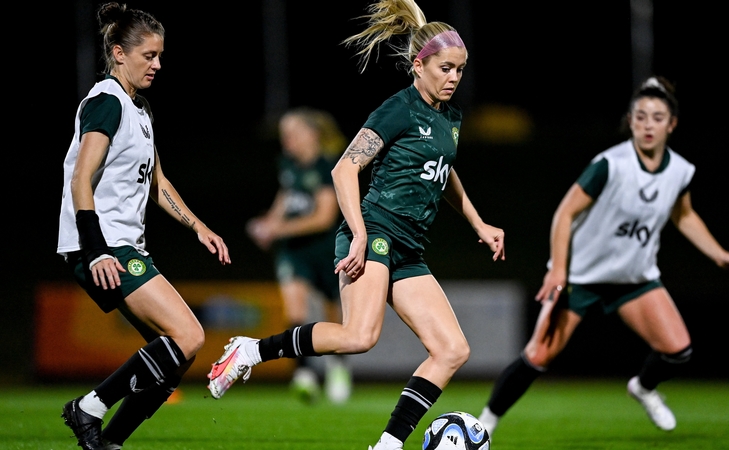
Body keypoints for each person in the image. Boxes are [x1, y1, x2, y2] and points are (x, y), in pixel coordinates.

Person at [206, 0, 505, 448]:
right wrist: (361, 234)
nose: (453, 78)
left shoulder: (451, 118)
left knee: (452, 350)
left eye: (460, 70)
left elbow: (442, 171)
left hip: (409, 246)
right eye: (445, 68)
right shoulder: (398, 108)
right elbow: (344, 169)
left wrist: (478, 222)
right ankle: (250, 350)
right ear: (418, 66)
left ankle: (387, 444)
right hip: (376, 232)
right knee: (358, 336)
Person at [477, 76, 729, 437]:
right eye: (640, 116)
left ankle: (643, 387)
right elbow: (564, 213)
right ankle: (485, 423)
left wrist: (719, 255)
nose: (647, 125)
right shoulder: (610, 165)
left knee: (679, 350)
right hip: (580, 276)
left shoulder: (680, 171)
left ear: (671, 124)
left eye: (657, 118)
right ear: (630, 120)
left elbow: (684, 215)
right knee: (538, 356)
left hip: (634, 277)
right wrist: (558, 271)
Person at [57, 3, 230, 449]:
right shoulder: (106, 103)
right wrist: (95, 248)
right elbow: (81, 178)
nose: (157, 64)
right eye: (148, 55)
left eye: (159, 55)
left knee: (175, 359)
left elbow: (157, 183)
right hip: (103, 246)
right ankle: (88, 408)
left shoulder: (139, 109)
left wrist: (198, 227)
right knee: (189, 335)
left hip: (121, 245)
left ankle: (109, 442)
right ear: (118, 53)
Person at [245, 107, 352, 404]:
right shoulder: (289, 164)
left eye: (292, 134)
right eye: (284, 135)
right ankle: (303, 373)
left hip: (327, 248)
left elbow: (323, 217)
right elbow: (285, 196)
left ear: (312, 134)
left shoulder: (328, 166)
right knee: (295, 311)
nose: (287, 141)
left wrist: (277, 229)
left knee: (336, 313)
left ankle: (337, 366)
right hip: (294, 251)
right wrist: (269, 224)